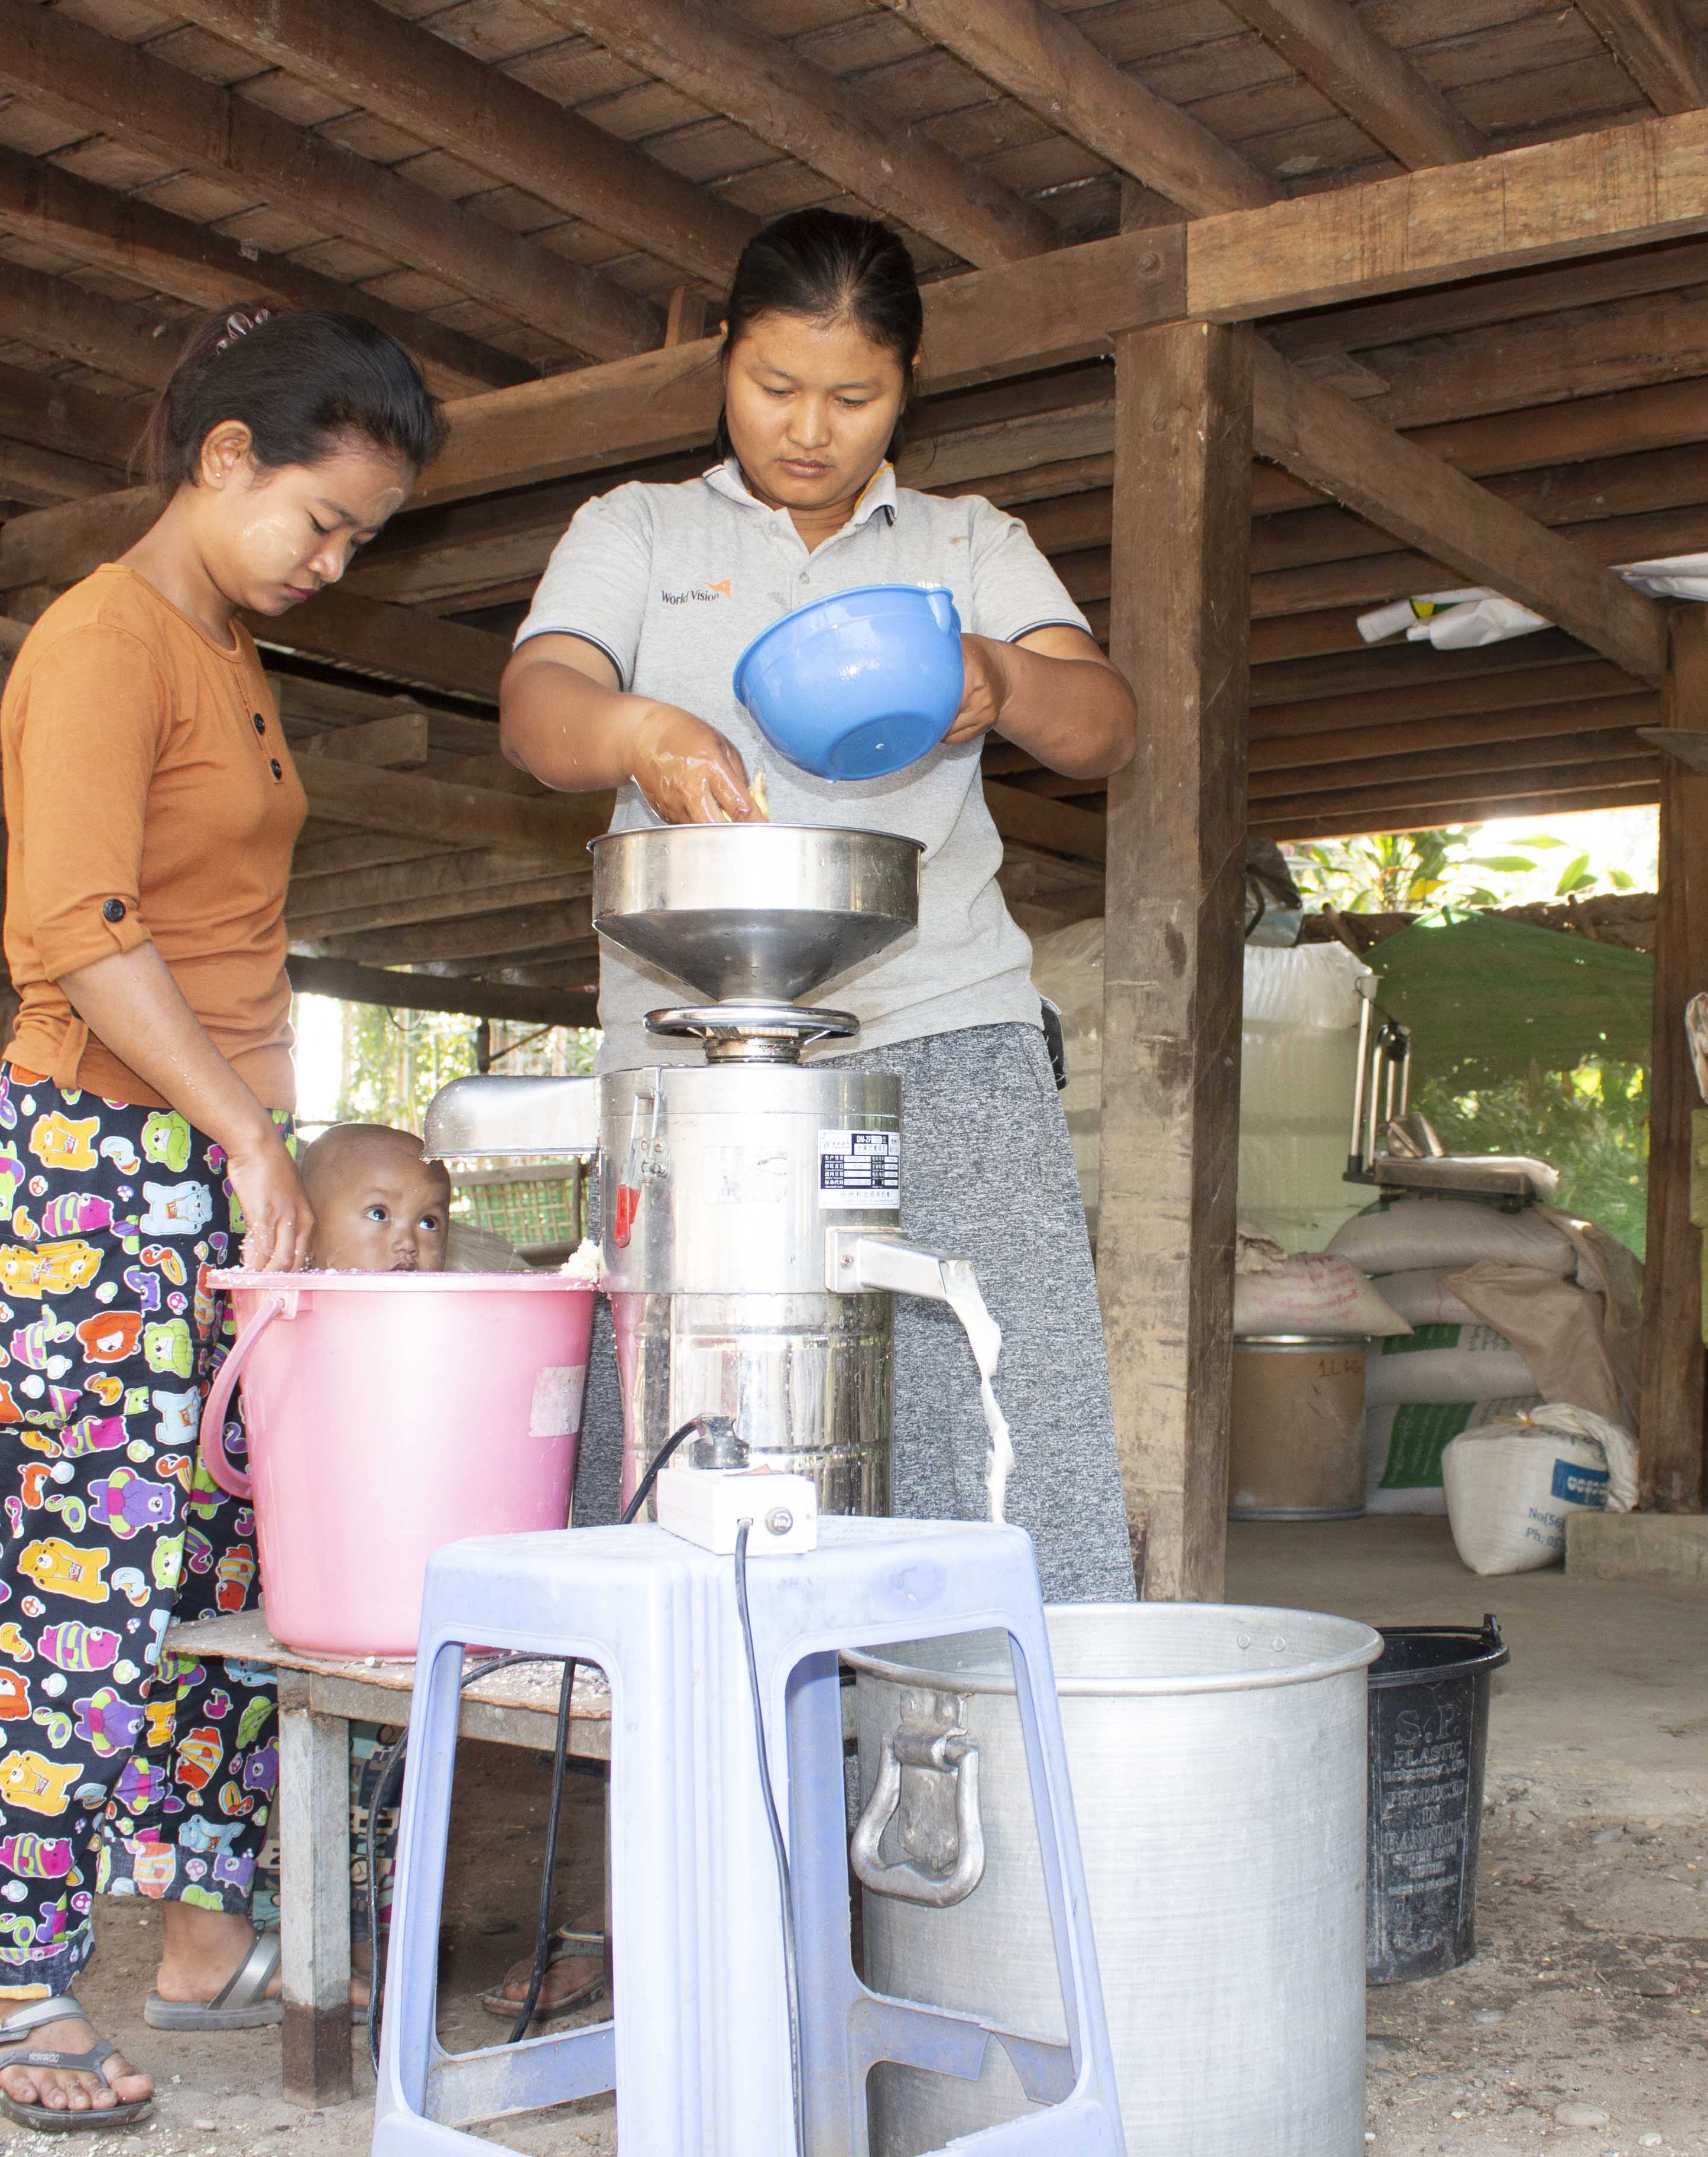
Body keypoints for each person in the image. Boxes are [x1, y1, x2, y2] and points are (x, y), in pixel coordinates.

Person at [495, 206, 1144, 2014]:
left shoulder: (964, 541)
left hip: (938, 1019)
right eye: (778, 385)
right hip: (692, 1040)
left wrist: (1003, 681)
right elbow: (538, 709)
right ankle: (658, 1906)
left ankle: (1020, 1905)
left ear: (905, 392)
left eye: (853, 397)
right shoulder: (634, 533)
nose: (809, 426)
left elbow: (1106, 723)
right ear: (723, 362)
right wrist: (628, 736)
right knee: (680, 1454)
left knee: (1002, 1423)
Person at [0, 305, 441, 2133]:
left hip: (205, 1156)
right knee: (82, 1568)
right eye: (323, 520)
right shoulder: (103, 638)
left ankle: (193, 1938)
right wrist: (249, 1130)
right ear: (224, 457)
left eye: (363, 538)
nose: (334, 561)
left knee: (223, 1562)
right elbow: (72, 923)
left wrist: (254, 1143)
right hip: (102, 1152)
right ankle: (10, 1981)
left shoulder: (225, 654)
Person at [297, 1123, 452, 1273]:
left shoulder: (450, 1299)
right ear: (308, 1231)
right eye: (379, 1214)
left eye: (429, 1223)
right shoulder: (283, 1297)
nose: (408, 1243)